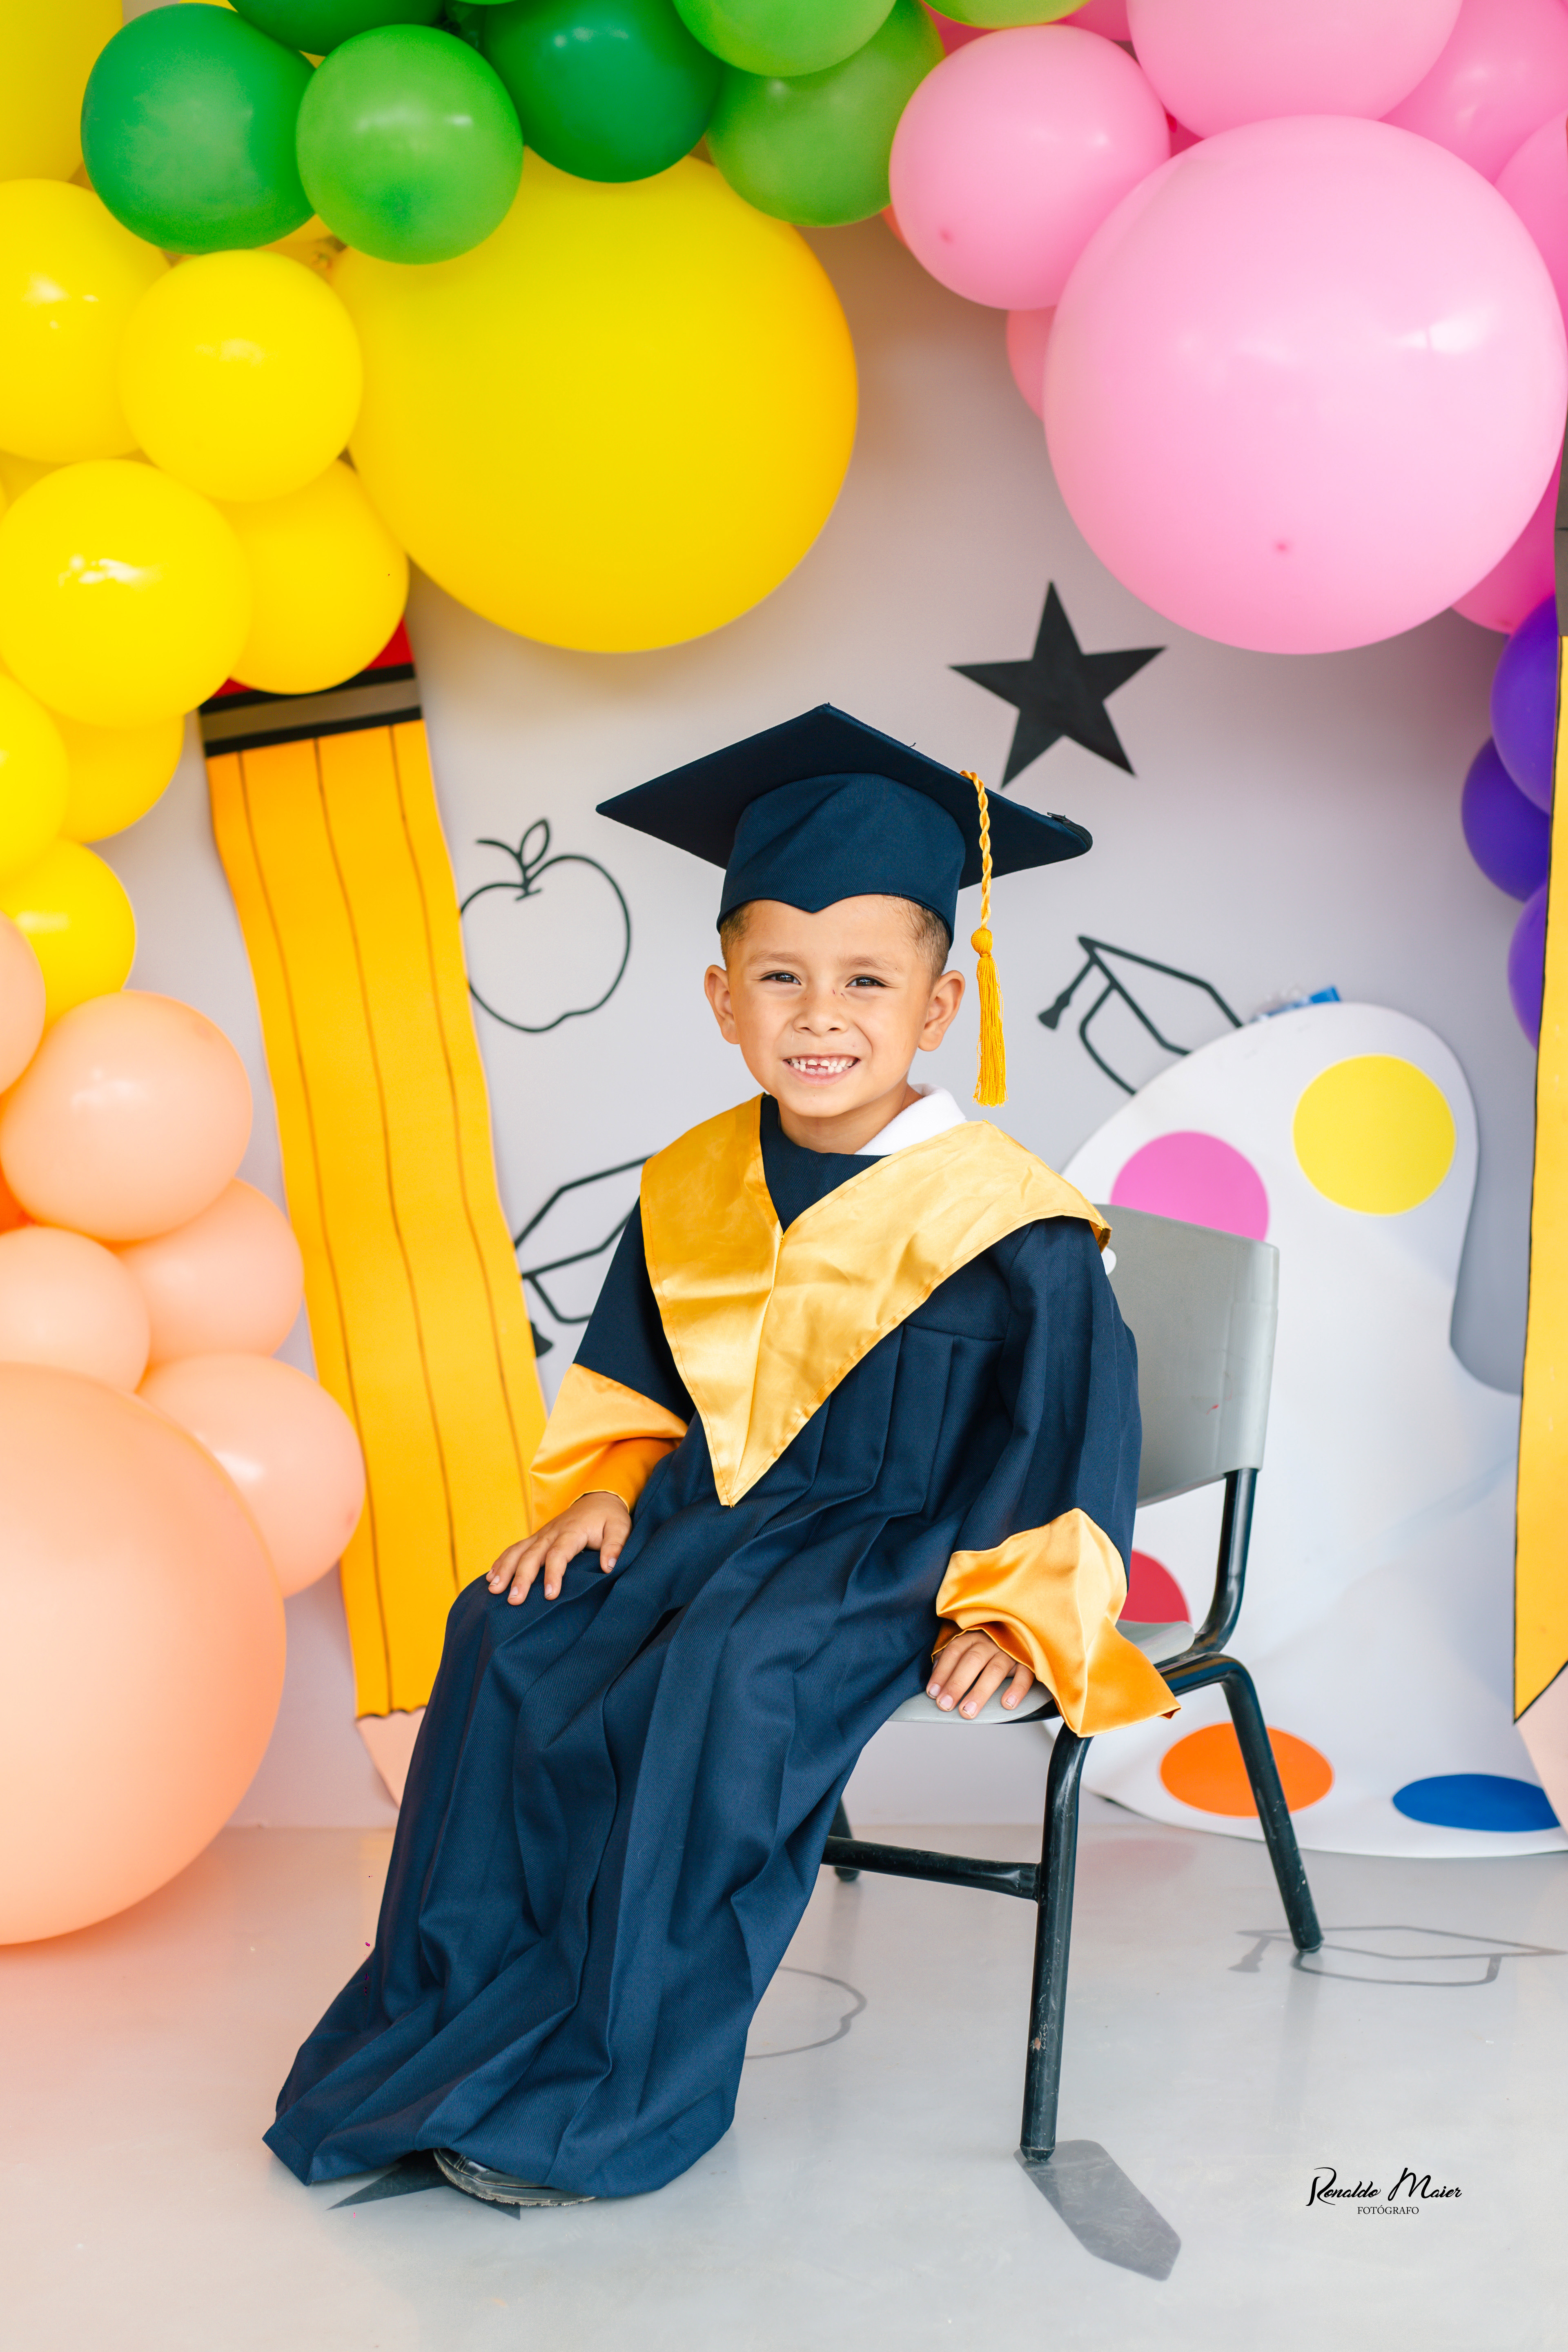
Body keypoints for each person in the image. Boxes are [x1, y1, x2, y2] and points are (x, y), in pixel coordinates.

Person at [264, 706, 1174, 2209]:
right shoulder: (694, 1179)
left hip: (894, 1546)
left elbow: (1073, 1433)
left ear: (940, 1005)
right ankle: (443, 2032)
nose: (823, 1014)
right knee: (503, 1631)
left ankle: (609, 2101)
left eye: (868, 980)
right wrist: (604, 1489)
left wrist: (1015, 1615)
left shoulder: (1016, 1222)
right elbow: (631, 1375)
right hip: (703, 1520)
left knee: (724, 1681)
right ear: (723, 999)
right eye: (781, 977)